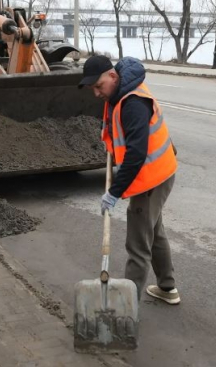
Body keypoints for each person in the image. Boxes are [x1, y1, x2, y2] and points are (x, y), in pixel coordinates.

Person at [79, 54, 180, 305]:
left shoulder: (132, 102)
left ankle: (124, 308)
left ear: (113, 76)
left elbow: (136, 154)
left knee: (137, 244)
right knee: (154, 231)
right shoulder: (120, 93)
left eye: (99, 86)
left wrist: (114, 192)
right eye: (92, 89)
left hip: (150, 178)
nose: (96, 94)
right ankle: (167, 287)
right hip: (160, 171)